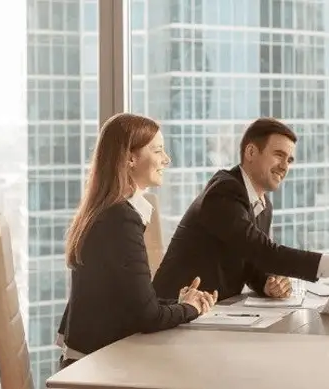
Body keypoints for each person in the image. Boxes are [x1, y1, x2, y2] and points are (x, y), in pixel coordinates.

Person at [152, 118, 329, 301]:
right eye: (279, 155)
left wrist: (267, 282)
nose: (284, 166)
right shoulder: (224, 191)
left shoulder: (263, 205)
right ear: (251, 152)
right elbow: (265, 252)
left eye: (289, 160)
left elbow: (251, 260)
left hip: (214, 312)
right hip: (175, 309)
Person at [56, 113, 217, 369]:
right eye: (158, 150)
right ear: (130, 158)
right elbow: (148, 317)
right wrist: (191, 308)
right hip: (94, 369)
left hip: (91, 360)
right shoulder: (120, 219)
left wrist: (179, 303)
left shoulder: (109, 211)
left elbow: (128, 303)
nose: (167, 159)